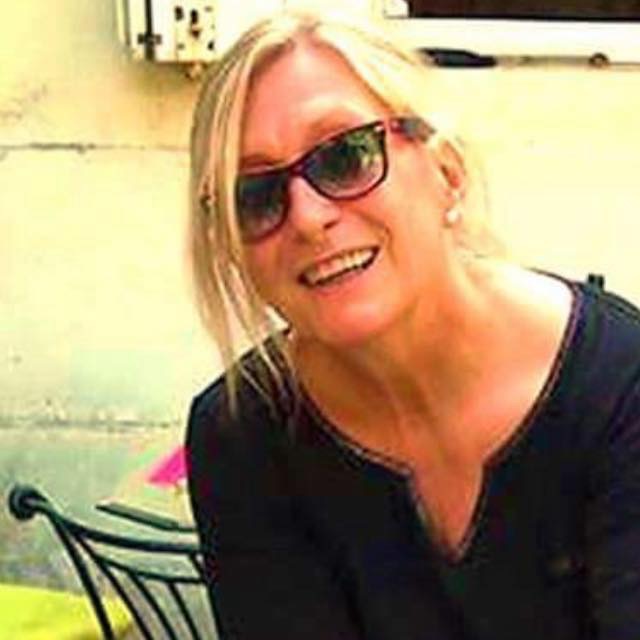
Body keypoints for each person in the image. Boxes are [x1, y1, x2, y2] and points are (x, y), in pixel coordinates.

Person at [185, 10, 640, 639]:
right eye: (255, 196)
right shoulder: (242, 434)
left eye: (346, 156)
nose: (309, 217)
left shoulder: (620, 389)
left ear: (447, 174)